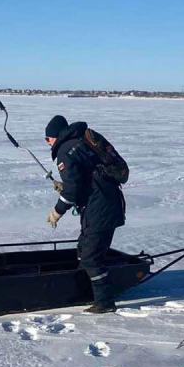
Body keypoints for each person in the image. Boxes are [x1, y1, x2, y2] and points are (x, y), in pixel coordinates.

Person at [44, 115, 126, 314]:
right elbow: (84, 180)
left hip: (101, 209)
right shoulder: (79, 142)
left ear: (54, 136)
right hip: (104, 204)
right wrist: (66, 187)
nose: (47, 143)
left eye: (47, 138)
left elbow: (73, 190)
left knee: (91, 257)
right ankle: (86, 291)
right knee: (85, 249)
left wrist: (57, 211)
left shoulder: (65, 150)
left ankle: (105, 302)